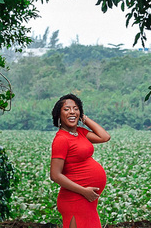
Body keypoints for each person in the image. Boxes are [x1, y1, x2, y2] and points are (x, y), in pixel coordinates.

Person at [49, 93, 111, 228]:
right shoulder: (61, 139)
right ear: (58, 115)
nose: (72, 111)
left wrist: (83, 118)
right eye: (66, 109)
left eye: (76, 108)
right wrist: (84, 191)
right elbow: (55, 175)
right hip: (75, 198)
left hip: (87, 199)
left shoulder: (81, 132)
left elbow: (105, 137)